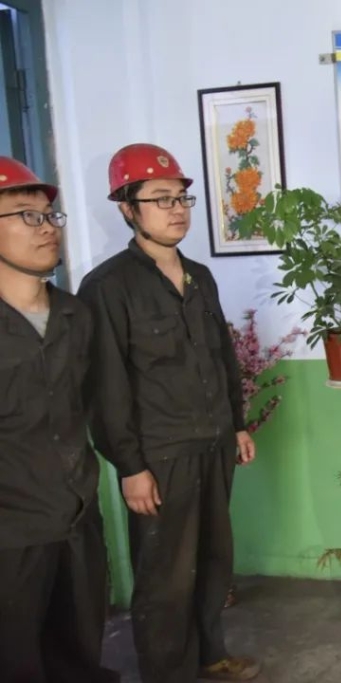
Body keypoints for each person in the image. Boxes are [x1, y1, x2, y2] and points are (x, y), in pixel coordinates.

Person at [77, 143, 259, 682]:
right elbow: (105, 385)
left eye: (181, 198)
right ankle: (168, 673)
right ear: (127, 209)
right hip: (160, 456)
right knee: (166, 576)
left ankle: (209, 655)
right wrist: (130, 466)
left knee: (213, 560)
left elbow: (222, 357)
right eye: (161, 199)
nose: (177, 209)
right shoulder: (107, 287)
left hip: (213, 442)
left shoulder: (200, 276)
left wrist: (238, 424)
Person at [0, 157, 119, 683]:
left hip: (76, 521)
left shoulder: (76, 316)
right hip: (11, 535)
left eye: (50, 215)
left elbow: (98, 405)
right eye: (27, 215)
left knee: (79, 652)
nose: (47, 227)